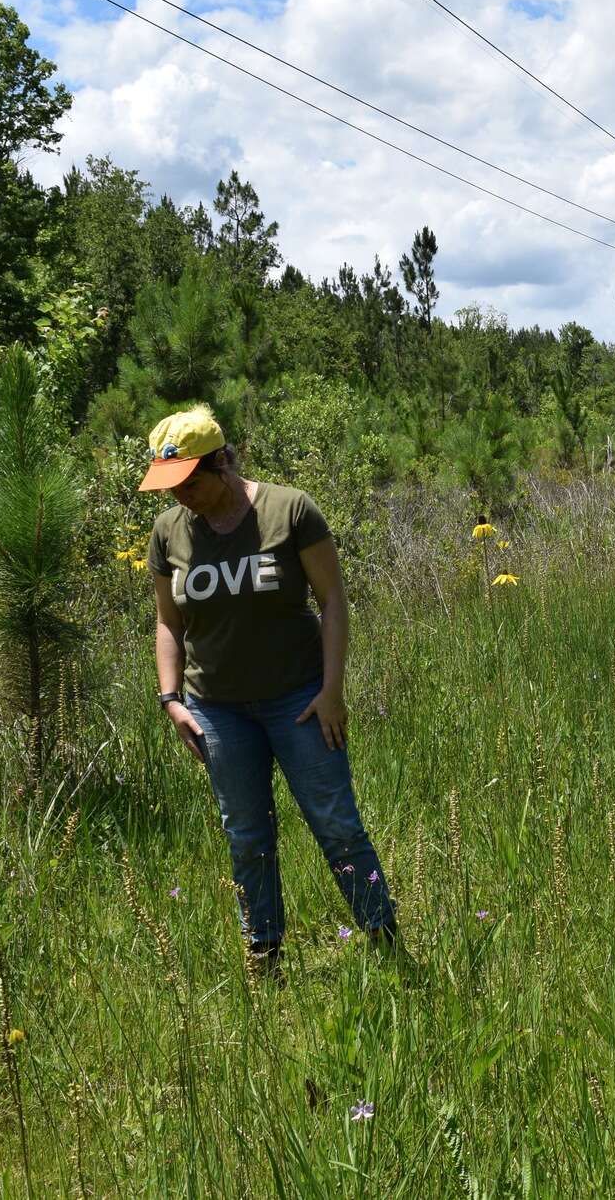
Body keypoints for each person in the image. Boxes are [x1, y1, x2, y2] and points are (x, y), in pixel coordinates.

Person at [142, 405, 397, 975]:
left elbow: (332, 601)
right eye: (169, 487)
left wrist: (332, 691)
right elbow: (167, 623)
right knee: (247, 833)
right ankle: (263, 952)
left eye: (188, 483)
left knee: (336, 823)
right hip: (217, 710)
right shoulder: (168, 533)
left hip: (299, 701)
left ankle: (383, 936)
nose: (179, 497)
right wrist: (171, 700)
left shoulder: (290, 510)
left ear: (221, 464)